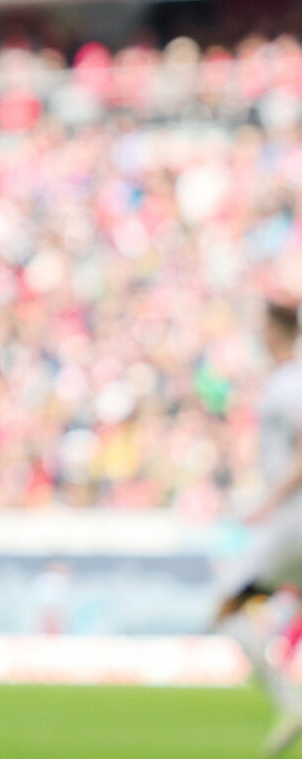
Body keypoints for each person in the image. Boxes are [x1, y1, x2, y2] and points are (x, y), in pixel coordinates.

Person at [215, 299, 302, 755]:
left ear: (276, 331)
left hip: (292, 524)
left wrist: (270, 500)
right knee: (288, 599)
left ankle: (290, 705)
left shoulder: (290, 385)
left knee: (226, 609)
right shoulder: (284, 382)